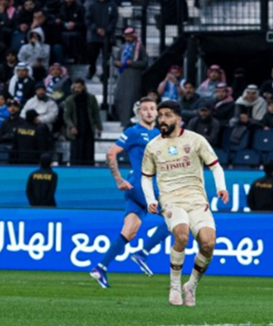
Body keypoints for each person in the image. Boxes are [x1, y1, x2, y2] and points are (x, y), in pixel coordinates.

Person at [142, 101, 229, 307]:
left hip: (197, 200)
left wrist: (221, 187)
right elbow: (146, 176)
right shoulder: (153, 146)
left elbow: (215, 167)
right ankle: (174, 286)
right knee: (181, 235)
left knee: (208, 244)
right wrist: (150, 200)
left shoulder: (196, 140)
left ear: (179, 119)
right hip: (171, 199)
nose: (162, 119)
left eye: (168, 115)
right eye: (161, 115)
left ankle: (190, 286)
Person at [90, 98, 171, 288]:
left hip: (146, 185)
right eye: (145, 109)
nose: (150, 112)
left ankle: (100, 267)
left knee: (129, 231)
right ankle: (143, 253)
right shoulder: (134, 132)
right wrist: (118, 179)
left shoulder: (160, 134)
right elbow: (111, 153)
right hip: (141, 185)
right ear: (139, 113)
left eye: (153, 109)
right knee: (174, 217)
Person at [63, 79, 103, 165]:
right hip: (76, 130)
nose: (77, 89)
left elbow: (96, 114)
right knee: (76, 152)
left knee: (88, 151)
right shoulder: (69, 100)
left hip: (88, 128)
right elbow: (66, 116)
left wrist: (99, 127)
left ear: (83, 87)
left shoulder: (91, 98)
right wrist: (72, 126)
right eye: (75, 87)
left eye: (79, 87)